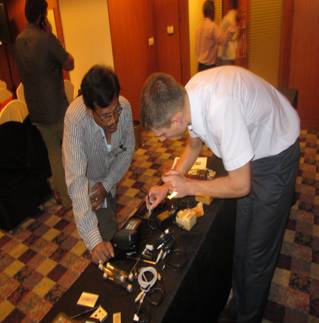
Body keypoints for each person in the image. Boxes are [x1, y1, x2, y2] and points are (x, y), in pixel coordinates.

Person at [140, 66, 300, 323]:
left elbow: (241, 186)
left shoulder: (220, 109)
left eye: (161, 133)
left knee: (258, 254)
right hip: (251, 153)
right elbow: (193, 147)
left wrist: (190, 186)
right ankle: (237, 307)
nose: (160, 140)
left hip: (276, 154)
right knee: (243, 241)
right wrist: (165, 185)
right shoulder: (188, 98)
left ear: (177, 119)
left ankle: (247, 317)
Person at [63, 65, 135, 264]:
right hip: (90, 187)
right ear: (89, 110)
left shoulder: (125, 108)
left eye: (115, 111)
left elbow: (127, 150)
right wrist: (94, 242)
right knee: (107, 241)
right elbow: (76, 181)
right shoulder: (75, 119)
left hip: (107, 181)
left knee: (111, 216)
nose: (113, 121)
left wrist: (107, 184)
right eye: (105, 116)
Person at [15, 0, 74, 209]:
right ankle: (75, 194)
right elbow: (70, 63)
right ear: (42, 15)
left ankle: (65, 198)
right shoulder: (47, 38)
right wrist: (51, 34)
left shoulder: (19, 40)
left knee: (53, 154)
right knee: (70, 150)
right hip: (56, 108)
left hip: (36, 110)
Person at [195, 0, 228, 72]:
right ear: (211, 12)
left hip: (200, 66)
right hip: (209, 67)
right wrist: (230, 31)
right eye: (214, 11)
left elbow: (196, 50)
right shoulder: (213, 27)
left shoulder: (198, 27)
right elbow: (224, 42)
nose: (215, 14)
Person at [217, 0, 241, 65]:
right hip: (227, 55)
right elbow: (226, 38)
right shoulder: (231, 18)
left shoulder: (228, 17)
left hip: (226, 54)